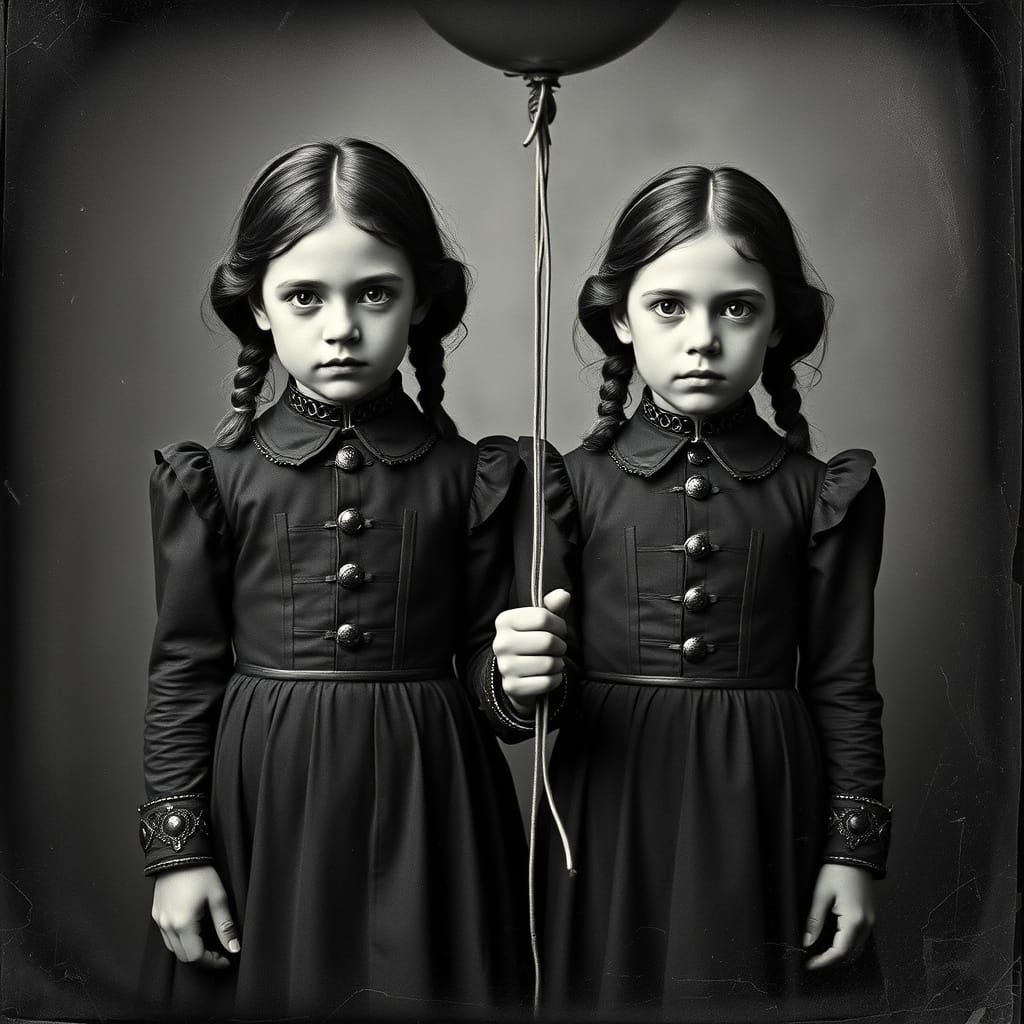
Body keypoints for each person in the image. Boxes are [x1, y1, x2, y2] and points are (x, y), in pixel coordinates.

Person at [138, 139, 528, 1020]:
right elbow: (183, 668)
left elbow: (485, 684)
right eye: (305, 296)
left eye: (375, 294)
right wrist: (178, 851)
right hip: (261, 801)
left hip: (437, 799)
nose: (341, 325)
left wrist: (515, 679)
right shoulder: (213, 476)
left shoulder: (474, 476)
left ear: (420, 301)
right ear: (258, 306)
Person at [492, 166, 891, 1020]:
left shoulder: (824, 493)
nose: (702, 338)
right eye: (669, 306)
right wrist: (512, 679)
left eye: (735, 307)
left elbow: (843, 682)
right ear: (620, 320)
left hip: (764, 802)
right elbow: (508, 708)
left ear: (777, 321)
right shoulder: (563, 484)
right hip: (608, 810)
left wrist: (852, 855)